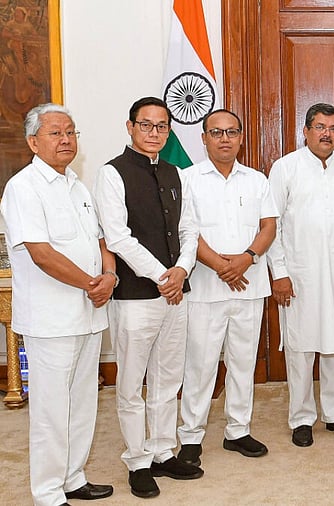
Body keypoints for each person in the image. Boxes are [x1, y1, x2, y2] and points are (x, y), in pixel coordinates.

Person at [1, 104, 115, 506]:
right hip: (51, 319)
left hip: (89, 314)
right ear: (34, 141)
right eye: (55, 133)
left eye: (71, 132)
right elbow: (40, 253)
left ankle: (73, 477)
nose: (66, 139)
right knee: (51, 410)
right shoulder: (23, 187)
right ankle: (48, 493)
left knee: (84, 402)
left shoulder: (77, 186)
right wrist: (90, 282)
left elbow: (100, 241)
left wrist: (110, 275)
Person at [93, 96, 201, 498]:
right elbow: (118, 237)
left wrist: (183, 270)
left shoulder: (177, 173)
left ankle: (161, 450)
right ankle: (137, 459)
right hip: (137, 295)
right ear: (130, 127)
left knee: (168, 377)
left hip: (176, 291)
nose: (154, 133)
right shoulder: (111, 174)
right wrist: (162, 275)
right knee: (132, 381)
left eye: (162, 126)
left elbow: (190, 228)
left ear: (169, 131)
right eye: (146, 125)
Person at [267, 103, 334, 447]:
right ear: (306, 131)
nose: (326, 134)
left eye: (333, 128)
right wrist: (279, 273)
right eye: (319, 127)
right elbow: (273, 225)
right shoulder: (285, 168)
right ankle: (301, 418)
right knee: (300, 347)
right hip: (299, 277)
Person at [176, 109, 277, 466]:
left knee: (243, 362)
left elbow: (268, 226)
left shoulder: (257, 180)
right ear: (203, 137)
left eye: (231, 132)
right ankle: (191, 436)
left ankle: (238, 430)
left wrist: (246, 258)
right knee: (200, 365)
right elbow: (187, 232)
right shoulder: (186, 179)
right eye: (216, 132)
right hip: (205, 287)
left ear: (240, 137)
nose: (224, 139)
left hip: (249, 285)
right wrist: (220, 265)